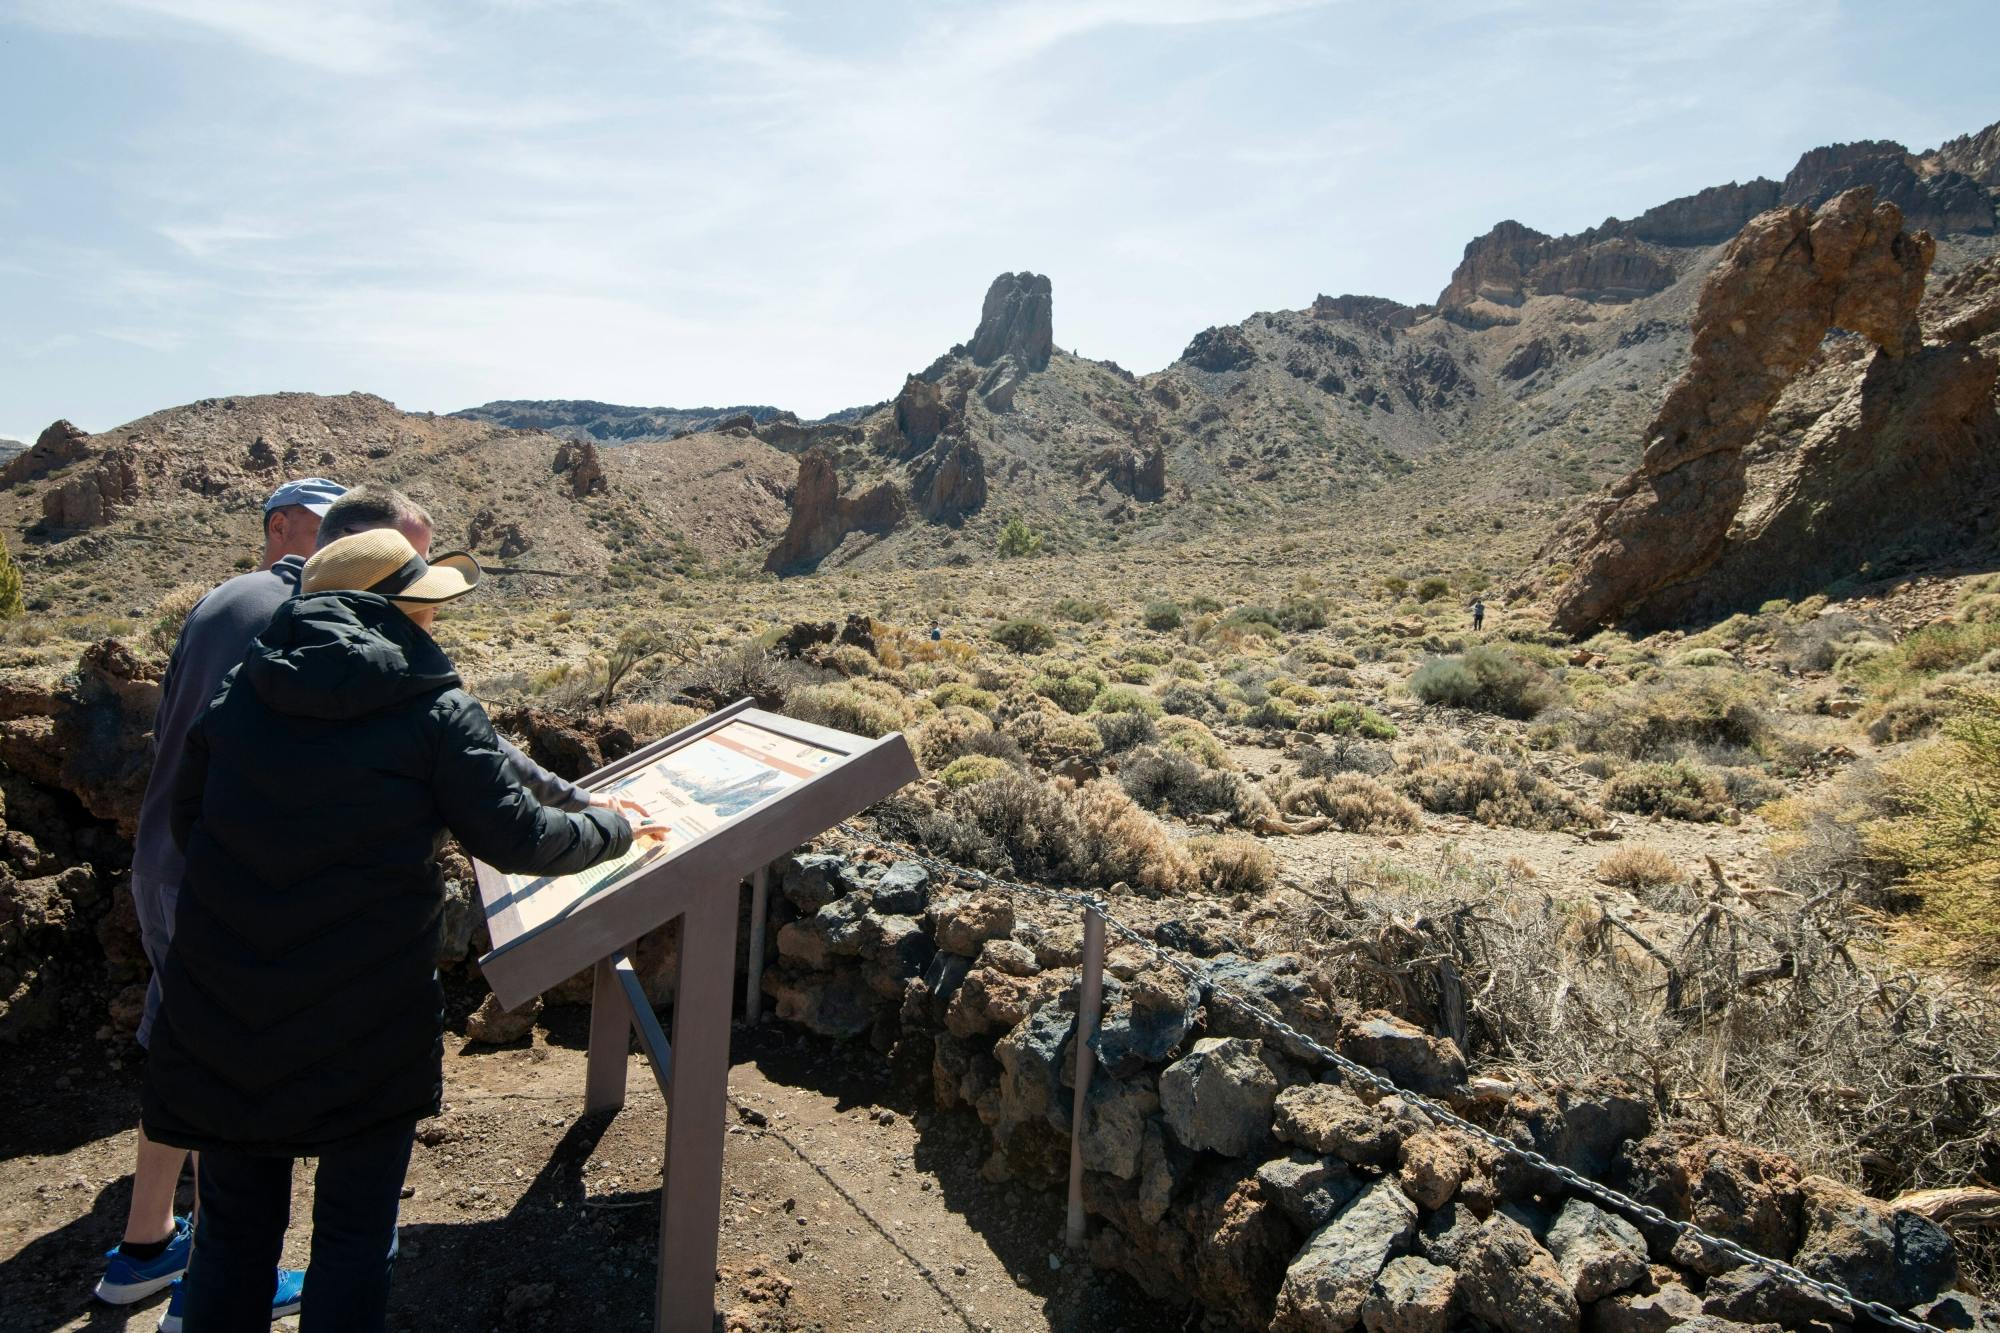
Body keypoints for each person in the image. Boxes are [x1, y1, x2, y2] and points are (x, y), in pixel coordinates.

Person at [142, 527, 655, 1332]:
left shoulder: (243, 688)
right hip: (367, 1011)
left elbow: (188, 820)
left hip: (227, 1004)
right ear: (396, 610)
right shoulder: (428, 705)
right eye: (425, 606)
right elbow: (518, 834)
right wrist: (615, 829)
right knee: (354, 1234)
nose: (434, 620)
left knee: (232, 1237)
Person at [100, 477, 345, 1321]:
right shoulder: (293, 605)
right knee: (231, 1067)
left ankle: (144, 1246)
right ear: (280, 526)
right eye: (325, 525)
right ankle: (209, 1284)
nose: (337, 541)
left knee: (183, 1051)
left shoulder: (218, 601)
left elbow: (173, 727)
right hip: (218, 874)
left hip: (164, 860)